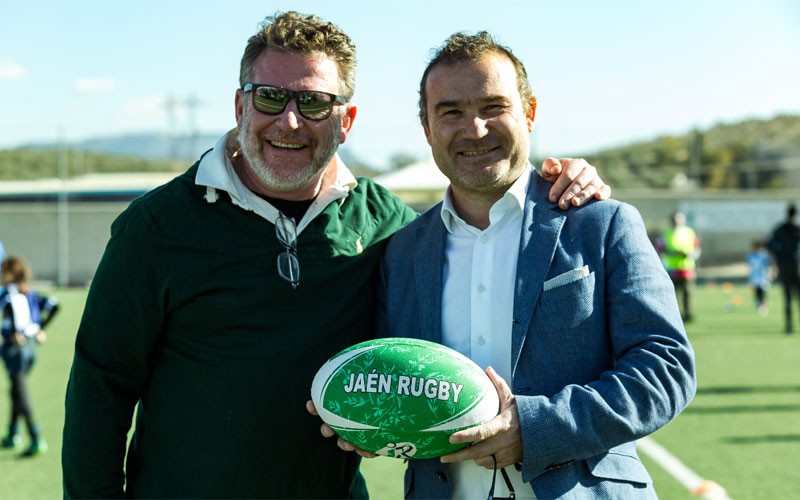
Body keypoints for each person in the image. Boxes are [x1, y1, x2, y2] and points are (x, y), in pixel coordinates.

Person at [61, 11, 611, 499]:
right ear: (240, 106)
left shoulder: (389, 226)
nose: (290, 121)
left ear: (346, 122)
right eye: (270, 97)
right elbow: (99, 390)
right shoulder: (155, 227)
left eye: (315, 103)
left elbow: (476, 239)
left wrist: (566, 180)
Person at [333, 31, 695, 499]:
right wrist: (365, 417)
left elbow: (665, 368)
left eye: (493, 106)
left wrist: (535, 427)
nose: (475, 129)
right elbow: (393, 374)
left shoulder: (601, 224)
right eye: (451, 112)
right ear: (426, 129)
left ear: (529, 112)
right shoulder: (401, 253)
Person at [0, 256, 59, 457]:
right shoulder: (29, 292)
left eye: (3, 272)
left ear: (11, 275)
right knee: (16, 389)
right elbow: (53, 305)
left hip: (16, 350)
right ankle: (13, 432)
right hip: (31, 349)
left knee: (20, 392)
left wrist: (16, 332)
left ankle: (35, 437)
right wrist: (39, 328)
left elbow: (12, 316)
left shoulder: (10, 294)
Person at [655, 211, 701, 321]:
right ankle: (674, 315)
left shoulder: (690, 233)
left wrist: (690, 254)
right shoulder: (666, 234)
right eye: (675, 219)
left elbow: (696, 249)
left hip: (686, 268)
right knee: (672, 294)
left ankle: (687, 313)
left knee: (687, 293)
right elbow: (659, 250)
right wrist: (672, 254)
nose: (677, 222)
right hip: (672, 269)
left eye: (679, 219)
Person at [766, 203, 800, 333]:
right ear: (795, 214)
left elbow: (769, 245)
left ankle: (789, 325)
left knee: (787, 297)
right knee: (795, 296)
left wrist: (775, 262)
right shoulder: (796, 230)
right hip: (795, 266)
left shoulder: (779, 229)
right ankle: (789, 324)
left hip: (784, 266)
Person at [746, 239, 771, 316]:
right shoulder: (750, 256)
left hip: (762, 277)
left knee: (762, 293)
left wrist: (768, 274)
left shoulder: (763, 255)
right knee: (756, 293)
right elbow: (750, 267)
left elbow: (766, 266)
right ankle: (759, 306)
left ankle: (763, 306)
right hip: (754, 278)